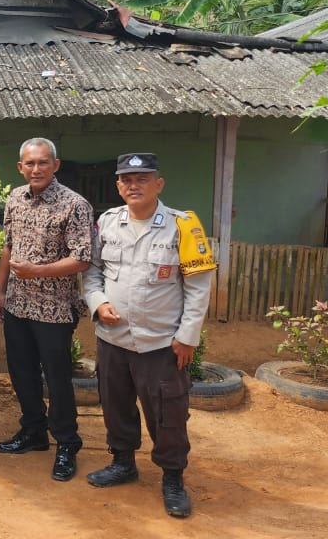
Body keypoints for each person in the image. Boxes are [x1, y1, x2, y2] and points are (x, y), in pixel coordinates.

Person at [83, 152, 215, 519]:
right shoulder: (107, 222)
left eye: (142, 179)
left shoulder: (183, 225)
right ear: (118, 186)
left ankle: (173, 477)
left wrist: (188, 336)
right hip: (113, 340)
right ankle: (123, 462)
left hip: (161, 343)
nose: (133, 185)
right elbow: (92, 273)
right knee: (115, 405)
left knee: (168, 414)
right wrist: (98, 302)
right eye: (126, 179)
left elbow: (199, 287)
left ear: (159, 184)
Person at [0, 138, 94, 481]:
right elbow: (7, 247)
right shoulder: (14, 199)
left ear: (56, 165)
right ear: (20, 167)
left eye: (43, 162)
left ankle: (67, 442)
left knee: (57, 377)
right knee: (21, 372)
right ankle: (33, 431)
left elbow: (81, 258)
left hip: (54, 309)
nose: (36, 169)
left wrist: (38, 272)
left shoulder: (74, 205)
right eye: (30, 163)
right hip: (18, 305)